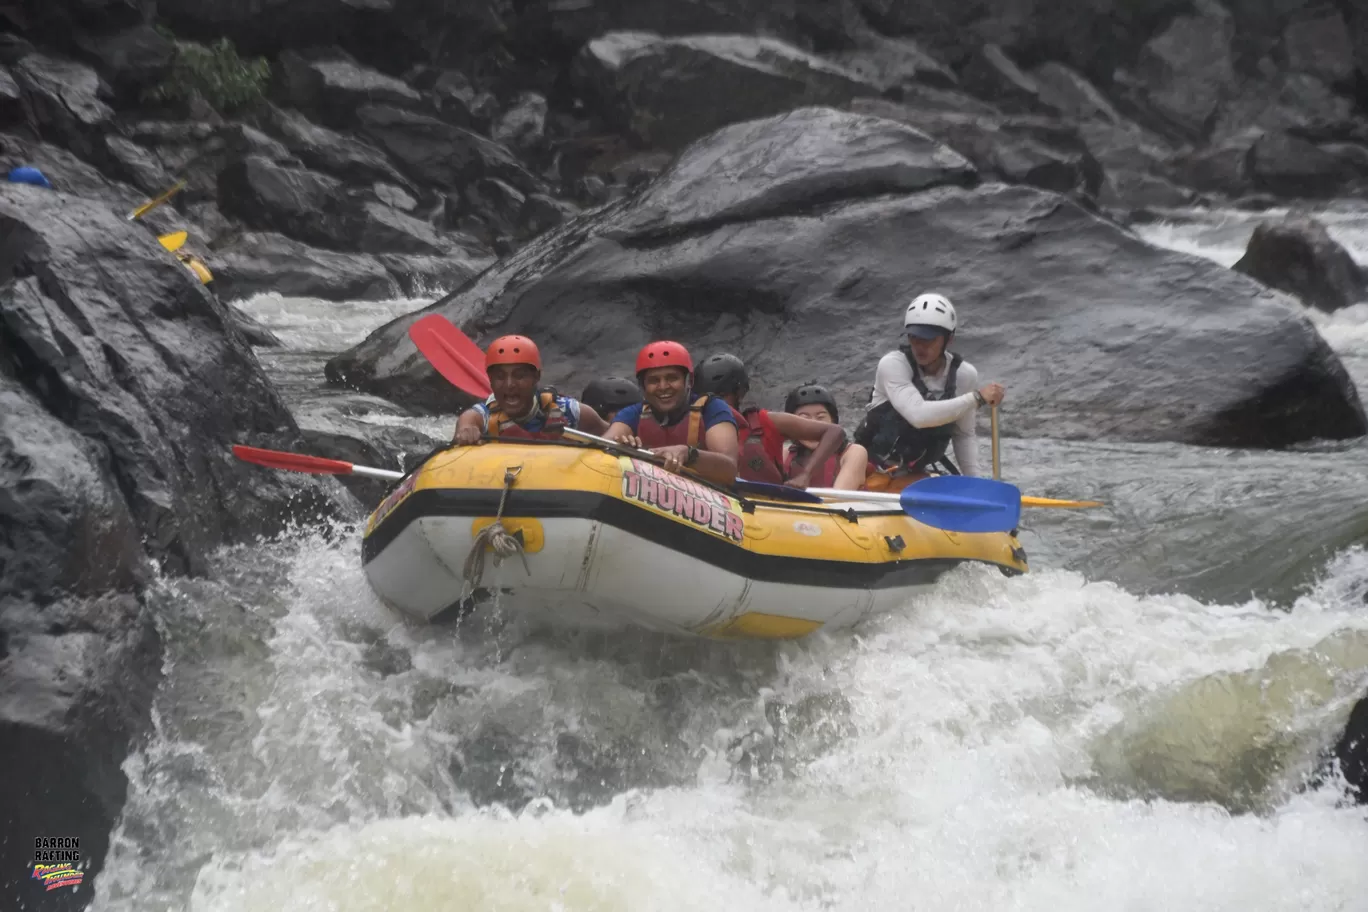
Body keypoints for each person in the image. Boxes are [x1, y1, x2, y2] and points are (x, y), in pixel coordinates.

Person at [853, 293, 1005, 491]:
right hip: (868, 465)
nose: (919, 346)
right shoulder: (892, 364)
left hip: (912, 473)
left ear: (948, 339)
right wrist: (976, 398)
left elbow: (963, 435)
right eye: (914, 338)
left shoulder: (964, 375)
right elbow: (918, 415)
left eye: (928, 340)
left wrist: (974, 485)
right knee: (878, 483)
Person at [691, 353, 848, 488]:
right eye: (710, 399)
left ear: (740, 393)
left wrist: (806, 474)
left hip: (768, 509)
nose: (717, 405)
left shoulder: (764, 422)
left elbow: (834, 431)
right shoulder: (692, 425)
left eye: (723, 396)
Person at [603, 340, 739, 485]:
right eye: (654, 380)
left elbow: (729, 468)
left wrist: (688, 454)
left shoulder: (712, 408)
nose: (663, 387)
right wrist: (619, 447)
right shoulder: (633, 413)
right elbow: (603, 444)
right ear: (643, 386)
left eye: (672, 378)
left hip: (708, 497)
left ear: (689, 381)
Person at [454, 335, 609, 444]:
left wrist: (624, 435)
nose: (509, 384)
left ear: (537, 377)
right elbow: (468, 421)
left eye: (519, 376)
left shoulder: (569, 412)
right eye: (500, 377)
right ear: (491, 381)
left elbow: (612, 436)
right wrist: (467, 431)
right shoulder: (483, 417)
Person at [782, 382, 870, 491]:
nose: (814, 427)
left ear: (833, 422)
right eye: (804, 419)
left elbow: (837, 499)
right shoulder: (784, 454)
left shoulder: (853, 453)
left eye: (820, 418)